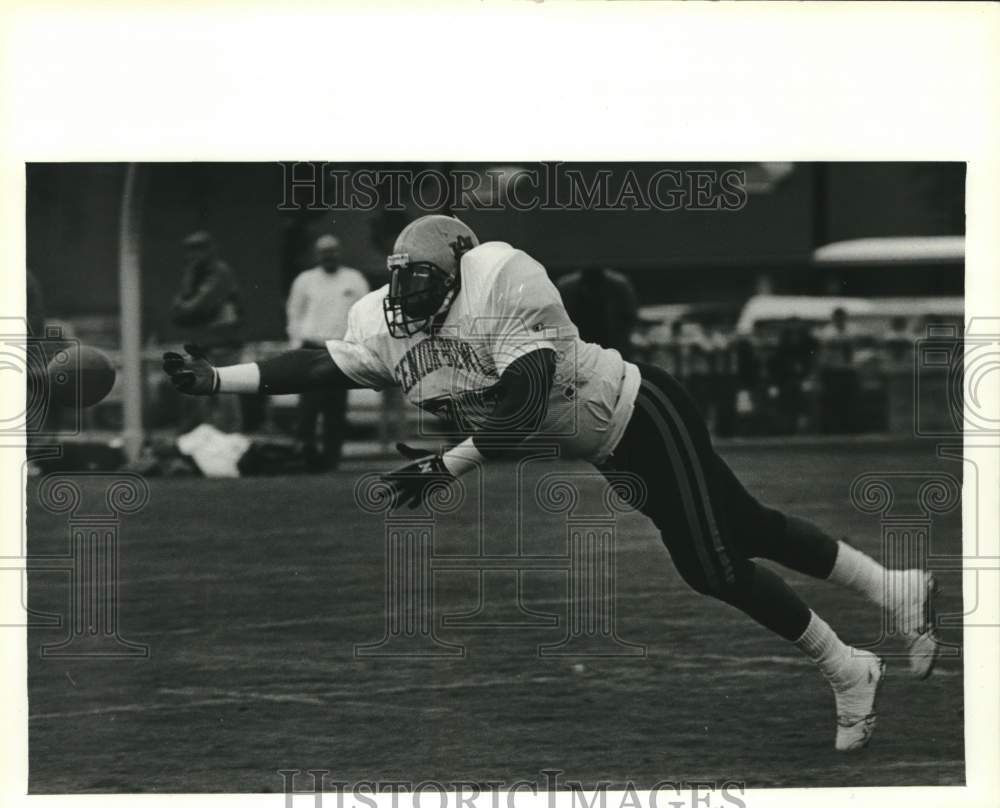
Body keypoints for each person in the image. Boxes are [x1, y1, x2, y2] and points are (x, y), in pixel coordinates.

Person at [163, 215, 939, 752]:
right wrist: (217, 379)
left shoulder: (504, 280)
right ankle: (894, 590)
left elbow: (524, 409)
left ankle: (848, 667)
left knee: (711, 562)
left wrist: (445, 466)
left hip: (636, 411)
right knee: (749, 527)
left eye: (422, 279)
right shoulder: (381, 318)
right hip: (605, 443)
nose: (404, 295)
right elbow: (321, 363)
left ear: (460, 272)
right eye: (399, 278)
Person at [286, 234, 370, 470]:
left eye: (332, 250)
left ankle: (331, 461)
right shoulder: (305, 280)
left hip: (341, 350)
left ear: (339, 252)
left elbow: (364, 313)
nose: (329, 255)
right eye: (324, 252)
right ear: (317, 254)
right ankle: (305, 457)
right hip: (311, 349)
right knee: (308, 409)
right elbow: (294, 313)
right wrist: (296, 345)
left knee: (336, 408)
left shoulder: (354, 279)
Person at [170, 231, 244, 433]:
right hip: (203, 342)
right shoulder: (195, 275)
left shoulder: (220, 272)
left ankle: (228, 440)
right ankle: (203, 438)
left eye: (199, 249)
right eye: (190, 251)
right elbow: (177, 313)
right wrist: (184, 303)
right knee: (197, 392)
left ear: (211, 250)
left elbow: (198, 307)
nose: (193, 256)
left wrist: (184, 306)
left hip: (223, 342)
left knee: (224, 391)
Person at [556, 266, 637, 359]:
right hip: (579, 345)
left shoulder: (620, 285)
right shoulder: (566, 286)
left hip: (611, 344)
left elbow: (629, 317)